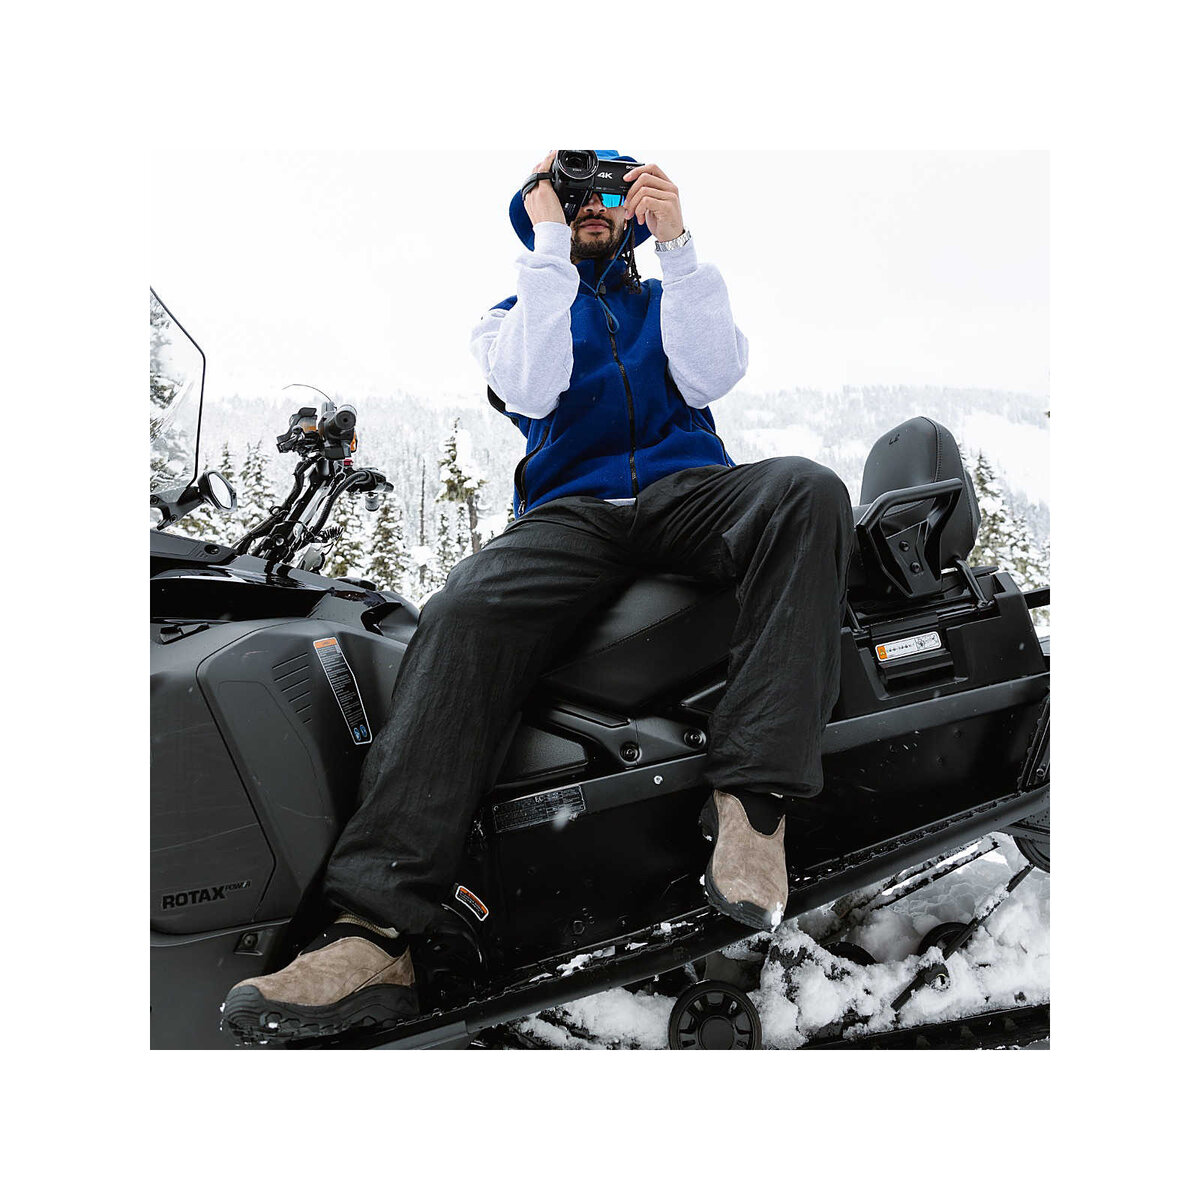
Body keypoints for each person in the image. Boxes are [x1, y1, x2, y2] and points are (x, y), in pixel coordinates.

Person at [222, 150, 854, 1044]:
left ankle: (751, 806)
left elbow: (711, 374)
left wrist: (677, 246)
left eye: (608, 193)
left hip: (688, 491)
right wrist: (551, 245)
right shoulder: (516, 312)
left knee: (807, 489)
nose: (593, 206)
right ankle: (374, 931)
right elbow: (531, 386)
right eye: (572, 194)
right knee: (463, 608)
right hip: (571, 510)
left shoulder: (667, 296)